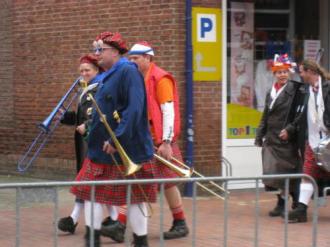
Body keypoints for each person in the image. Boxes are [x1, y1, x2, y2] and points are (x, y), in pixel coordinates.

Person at [70, 32, 158, 247]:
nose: (96, 54)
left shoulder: (128, 71)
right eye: (95, 49)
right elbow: (106, 110)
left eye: (101, 49)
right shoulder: (109, 74)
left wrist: (116, 138)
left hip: (125, 148)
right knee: (91, 193)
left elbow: (134, 109)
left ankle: (140, 241)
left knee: (135, 197)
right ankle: (92, 238)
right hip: (101, 149)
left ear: (116, 51)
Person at [102, 41, 189, 241]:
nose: (131, 62)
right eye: (130, 58)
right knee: (155, 181)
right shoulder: (137, 78)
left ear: (148, 58)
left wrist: (166, 141)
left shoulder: (160, 78)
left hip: (158, 140)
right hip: (145, 139)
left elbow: (168, 110)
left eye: (136, 58)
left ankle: (122, 224)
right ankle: (179, 221)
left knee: (151, 181)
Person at [255, 54, 305, 217]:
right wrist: (259, 133)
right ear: (274, 73)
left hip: (287, 139)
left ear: (289, 72)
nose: (282, 75)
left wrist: (289, 130)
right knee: (272, 173)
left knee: (290, 171)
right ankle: (281, 202)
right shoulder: (271, 90)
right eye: (279, 72)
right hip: (271, 138)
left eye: (285, 72)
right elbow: (266, 113)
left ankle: (296, 202)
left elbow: (301, 114)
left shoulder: (297, 89)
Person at [288, 59, 330, 223]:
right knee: (307, 174)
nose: (300, 74)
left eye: (302, 71)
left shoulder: (327, 87)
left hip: (328, 139)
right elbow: (302, 114)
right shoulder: (307, 90)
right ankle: (301, 210)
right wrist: (290, 129)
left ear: (311, 71)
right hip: (313, 141)